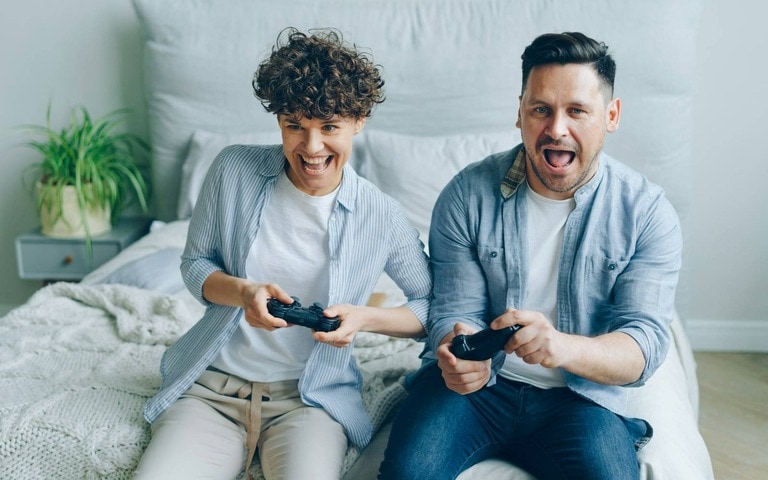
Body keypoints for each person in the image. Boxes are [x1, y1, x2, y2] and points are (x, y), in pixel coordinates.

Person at [378, 31, 682, 480]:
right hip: (478, 392)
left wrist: (561, 346)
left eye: (577, 110)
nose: (556, 129)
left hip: (581, 401)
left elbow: (644, 344)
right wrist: (455, 350)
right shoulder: (466, 194)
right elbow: (454, 308)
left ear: (611, 115)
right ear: (519, 112)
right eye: (541, 109)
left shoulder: (647, 213)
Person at [133, 28, 431, 480]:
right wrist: (242, 291)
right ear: (278, 120)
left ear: (359, 120)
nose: (311, 149)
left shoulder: (382, 215)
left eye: (329, 127)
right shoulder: (232, 169)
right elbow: (195, 265)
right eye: (296, 126)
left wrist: (364, 319)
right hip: (211, 390)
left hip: (309, 401)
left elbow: (433, 307)